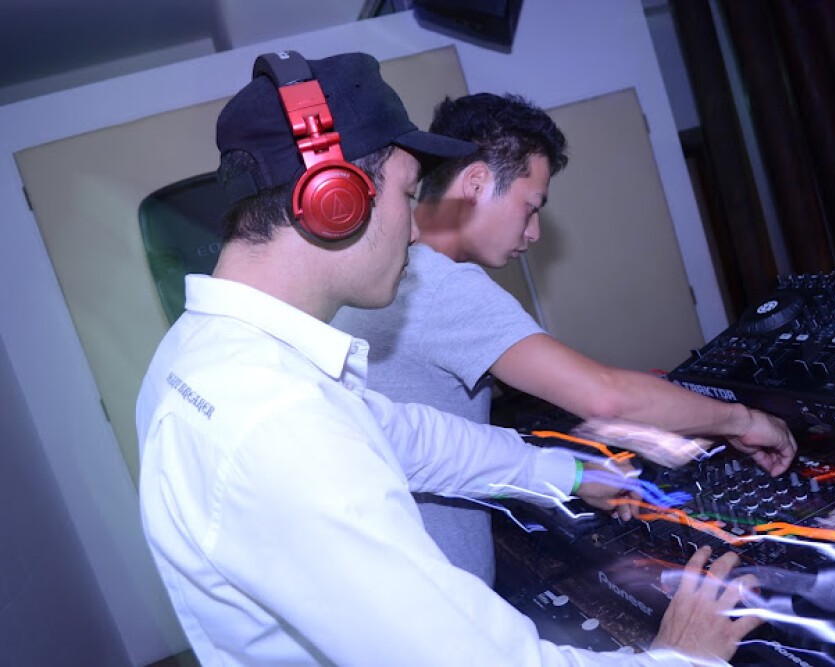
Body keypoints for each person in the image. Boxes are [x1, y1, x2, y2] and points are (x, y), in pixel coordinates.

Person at [136, 51, 763, 666]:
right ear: (335, 201)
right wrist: (682, 658)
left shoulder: (204, 355)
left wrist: (569, 475)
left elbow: (413, 438)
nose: (414, 229)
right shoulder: (279, 424)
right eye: (407, 194)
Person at [332, 93, 798, 586]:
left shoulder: (381, 272)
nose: (533, 232)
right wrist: (742, 421)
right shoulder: (445, 285)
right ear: (475, 183)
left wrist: (577, 473)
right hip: (435, 591)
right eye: (530, 207)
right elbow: (607, 397)